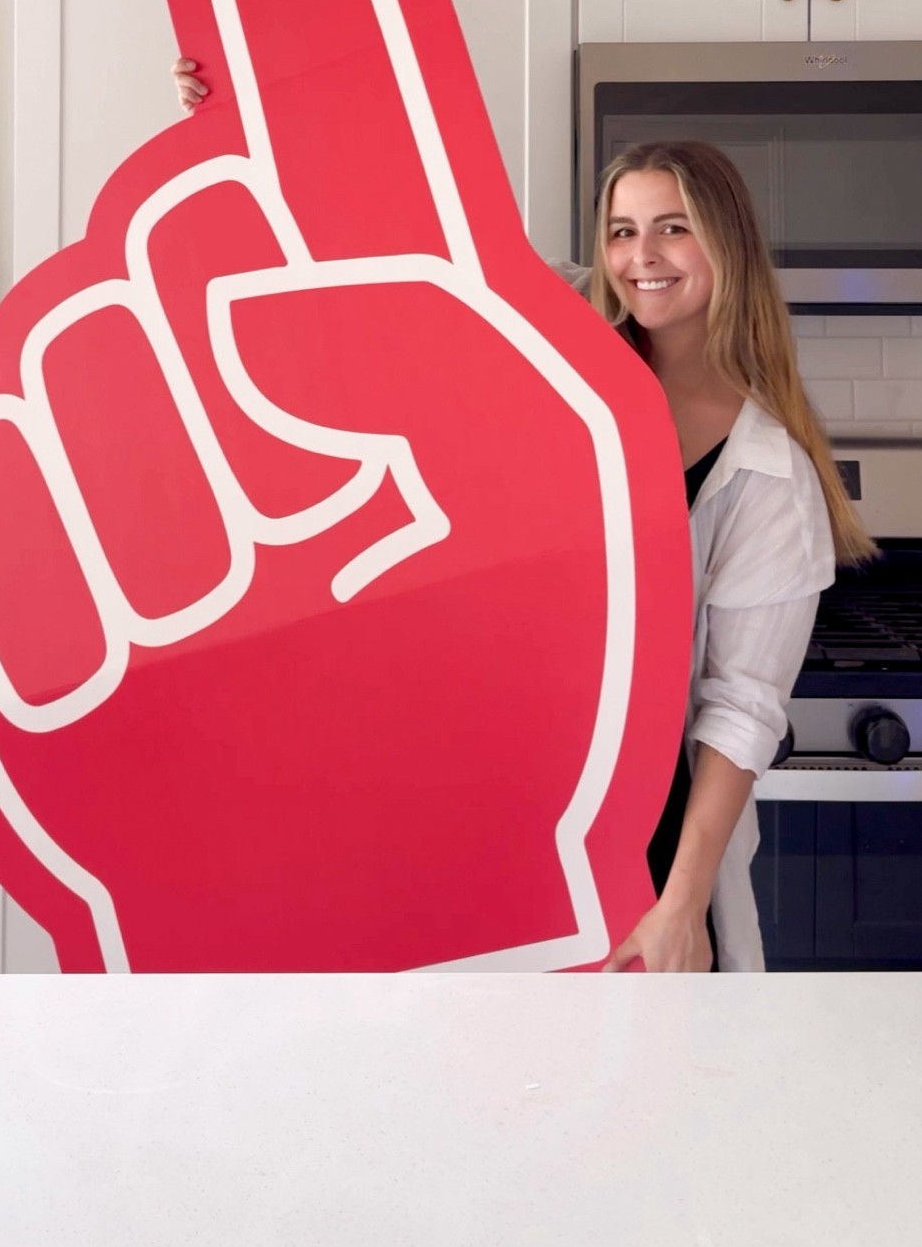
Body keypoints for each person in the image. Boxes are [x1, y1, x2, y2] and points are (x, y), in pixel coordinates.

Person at [170, 62, 875, 972]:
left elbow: (737, 713)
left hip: (636, 833)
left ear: (725, 244)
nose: (640, 257)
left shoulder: (766, 474)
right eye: (622, 231)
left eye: (673, 229)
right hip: (483, 788)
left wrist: (681, 904)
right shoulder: (556, 334)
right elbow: (380, 237)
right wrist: (245, 122)